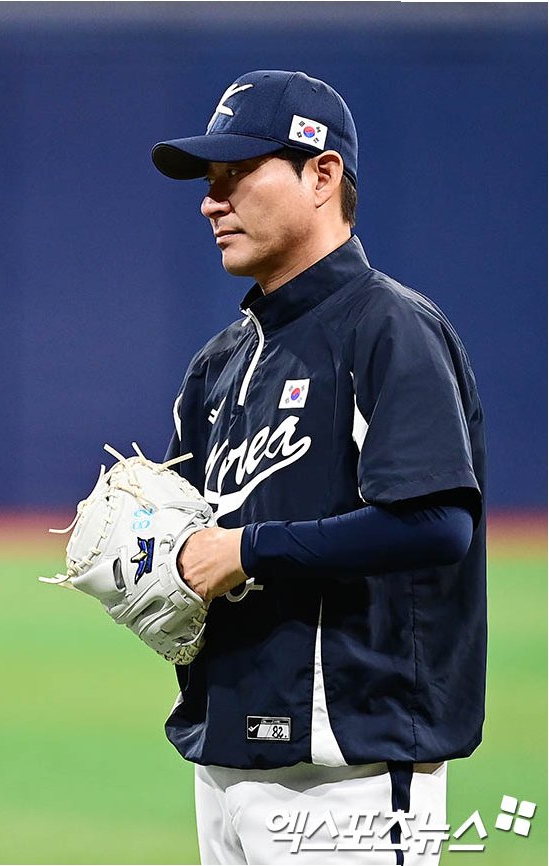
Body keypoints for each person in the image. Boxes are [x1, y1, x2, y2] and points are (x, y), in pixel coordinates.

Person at [149, 70, 486, 865]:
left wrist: (248, 550)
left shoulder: (388, 327)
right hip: (223, 757)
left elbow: (437, 523)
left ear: (322, 175)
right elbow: (189, 542)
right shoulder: (219, 364)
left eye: (237, 172)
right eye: (208, 180)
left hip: (352, 773)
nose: (211, 201)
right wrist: (150, 562)